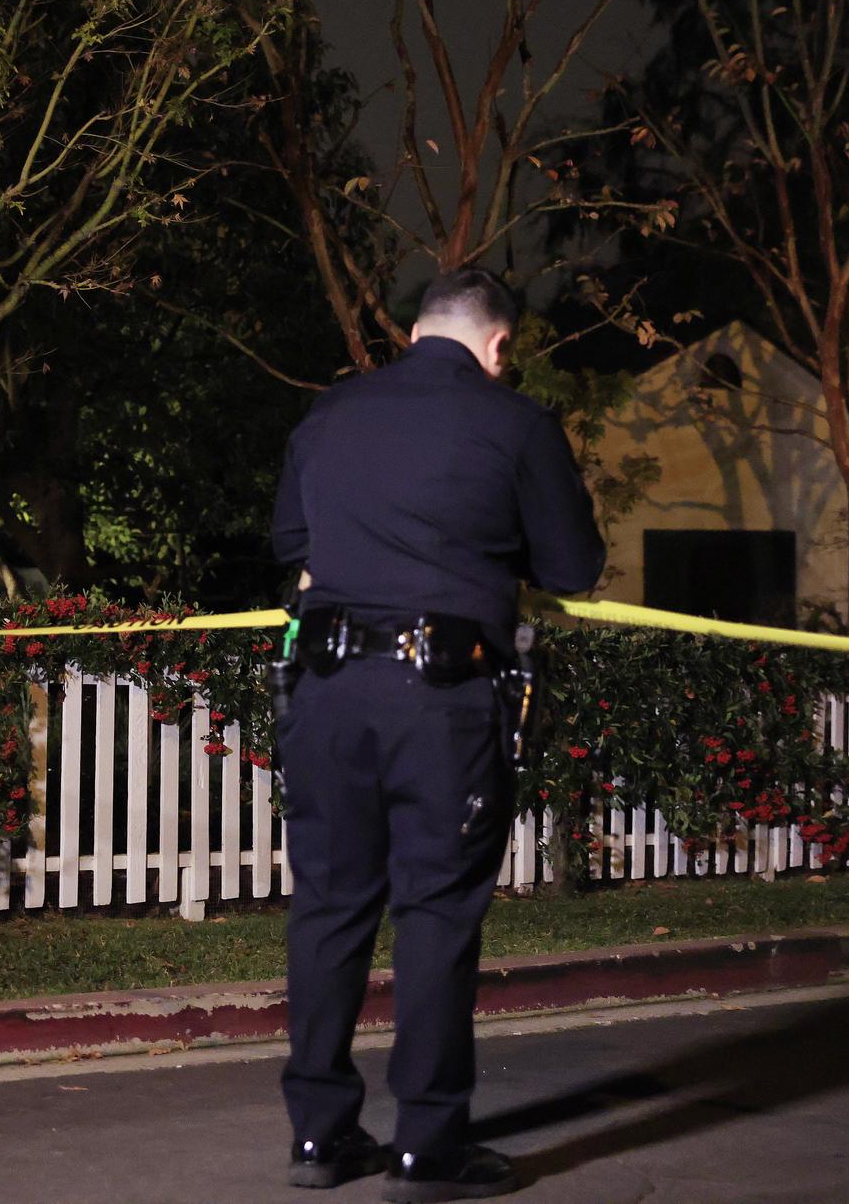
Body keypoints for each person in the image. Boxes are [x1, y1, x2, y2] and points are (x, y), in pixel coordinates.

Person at [270, 267, 605, 1201]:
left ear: (417, 329)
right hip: (442, 696)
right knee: (435, 913)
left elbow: (291, 544)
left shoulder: (330, 415)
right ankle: (426, 1147)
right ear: (499, 346)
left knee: (329, 905)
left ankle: (320, 1139)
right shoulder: (517, 425)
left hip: (327, 692)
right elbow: (574, 566)